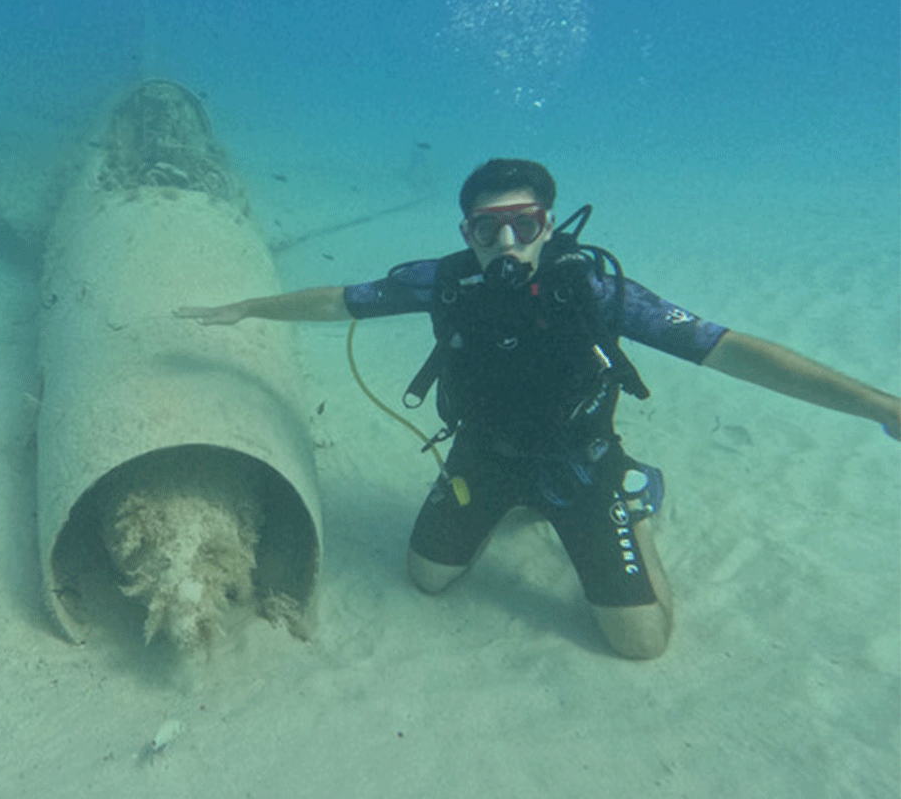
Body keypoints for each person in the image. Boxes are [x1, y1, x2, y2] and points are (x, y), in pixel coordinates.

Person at [175, 159, 901, 659]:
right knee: (426, 579)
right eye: (486, 229)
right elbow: (340, 300)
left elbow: (730, 348)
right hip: (484, 457)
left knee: (639, 644)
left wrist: (877, 402)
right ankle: (512, 505)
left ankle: (635, 496)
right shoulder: (445, 282)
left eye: (522, 223)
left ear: (549, 223)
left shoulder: (593, 289)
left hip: (579, 466)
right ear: (466, 232)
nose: (506, 243)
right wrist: (246, 308)